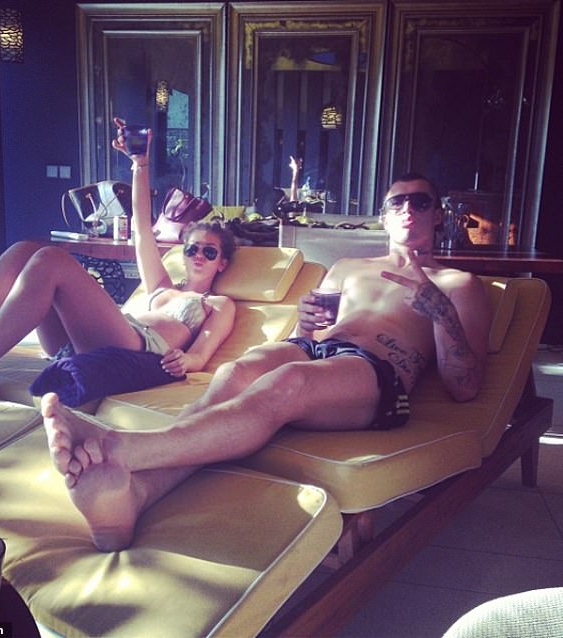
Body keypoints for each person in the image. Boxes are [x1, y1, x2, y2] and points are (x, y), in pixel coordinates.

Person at [43, 172, 492, 551]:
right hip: (318, 350)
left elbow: (465, 385)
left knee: (288, 383)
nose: (408, 208)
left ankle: (121, 448)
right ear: (384, 216)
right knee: (235, 372)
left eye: (420, 201)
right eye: (397, 202)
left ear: (437, 214)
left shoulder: (458, 284)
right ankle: (133, 496)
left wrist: (440, 313)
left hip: (375, 371)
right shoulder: (347, 268)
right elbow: (309, 335)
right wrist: (306, 322)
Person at [0, 121, 236, 413]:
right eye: (192, 248)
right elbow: (142, 228)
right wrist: (140, 164)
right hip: (93, 337)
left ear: (222, 263)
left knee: (52, 260)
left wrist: (186, 361)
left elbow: (201, 354)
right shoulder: (161, 285)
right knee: (24, 251)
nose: (198, 255)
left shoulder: (218, 304)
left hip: (135, 350)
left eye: (209, 252)